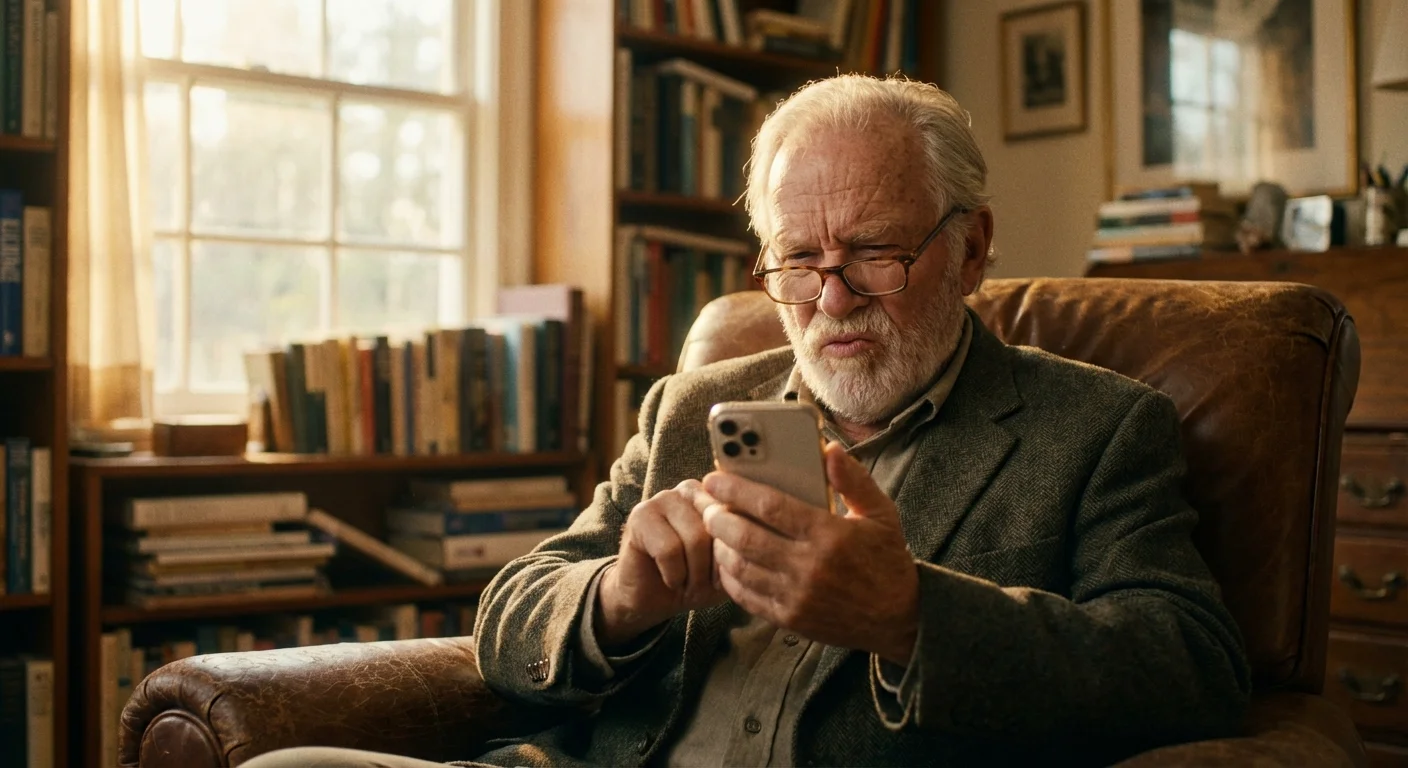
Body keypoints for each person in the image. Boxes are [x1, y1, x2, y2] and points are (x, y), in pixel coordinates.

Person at [245, 74, 1251, 768]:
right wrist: (618, 600)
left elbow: (1190, 671)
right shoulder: (692, 407)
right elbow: (510, 617)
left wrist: (908, 617)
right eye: (796, 258)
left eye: (874, 252)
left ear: (972, 248)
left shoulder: (1099, 427)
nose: (831, 297)